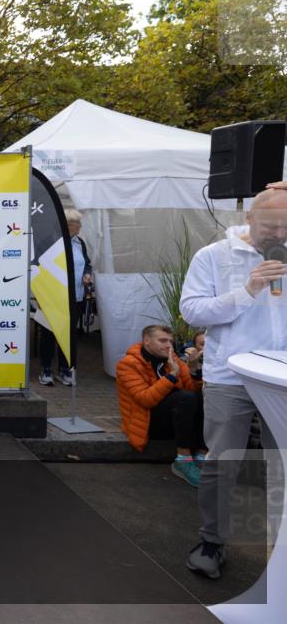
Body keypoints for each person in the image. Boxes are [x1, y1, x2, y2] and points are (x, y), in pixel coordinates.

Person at [182, 187, 287, 579]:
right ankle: (212, 541)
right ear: (251, 219)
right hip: (231, 375)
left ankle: (280, 547)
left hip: (282, 377)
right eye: (270, 225)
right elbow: (192, 311)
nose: (278, 234)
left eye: (285, 227)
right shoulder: (214, 256)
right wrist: (247, 291)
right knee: (223, 461)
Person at [116, 325, 205, 486]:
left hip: (175, 418)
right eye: (163, 340)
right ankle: (183, 460)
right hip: (146, 422)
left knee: (204, 395)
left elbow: (194, 393)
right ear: (147, 341)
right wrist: (171, 376)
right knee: (183, 398)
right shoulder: (128, 364)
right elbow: (145, 400)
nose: (169, 345)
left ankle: (201, 455)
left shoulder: (173, 360)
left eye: (170, 341)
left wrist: (194, 369)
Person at [37, 208, 91, 386]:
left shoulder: (79, 243)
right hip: (54, 297)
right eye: (75, 224)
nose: (78, 227)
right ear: (65, 225)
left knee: (68, 334)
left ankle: (64, 368)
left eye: (79, 224)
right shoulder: (51, 242)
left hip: (76, 296)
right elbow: (39, 266)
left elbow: (87, 263)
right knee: (50, 333)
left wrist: (87, 274)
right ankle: (46, 368)